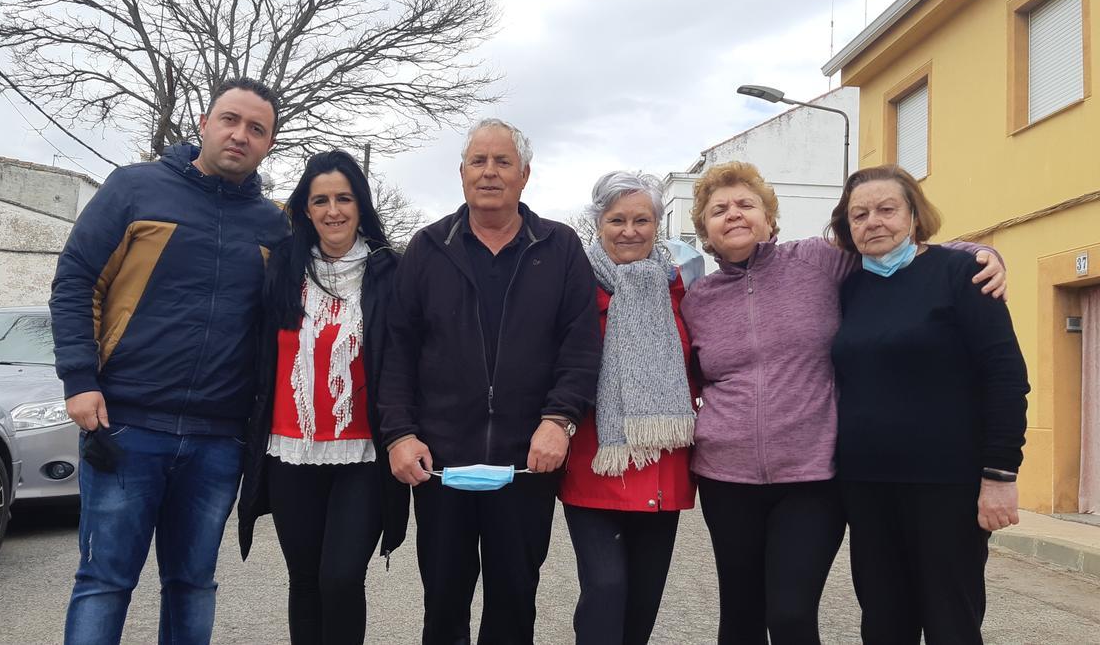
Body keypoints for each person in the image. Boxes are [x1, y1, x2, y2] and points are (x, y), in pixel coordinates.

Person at [679, 161, 1006, 645]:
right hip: (726, 476)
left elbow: (900, 250)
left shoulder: (816, 261)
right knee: (740, 616)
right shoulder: (697, 299)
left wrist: (980, 252)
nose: (733, 215)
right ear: (704, 228)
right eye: (719, 209)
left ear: (769, 217)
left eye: (746, 204)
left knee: (790, 614)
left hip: (812, 475)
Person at [51, 78, 289, 644]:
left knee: (193, 584)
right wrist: (80, 380)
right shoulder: (136, 188)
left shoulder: (273, 225)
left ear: (269, 144)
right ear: (204, 123)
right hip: (126, 425)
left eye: (257, 129)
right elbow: (76, 280)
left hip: (218, 438)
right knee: (105, 580)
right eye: (230, 120)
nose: (241, 135)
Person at [378, 118, 601, 645]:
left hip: (526, 462)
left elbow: (580, 345)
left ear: (525, 175)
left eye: (502, 162)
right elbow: (398, 353)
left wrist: (560, 420)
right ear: (461, 174)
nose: (490, 172)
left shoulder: (560, 246)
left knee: (514, 603)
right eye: (478, 161)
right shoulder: (429, 249)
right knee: (444, 603)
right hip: (441, 463)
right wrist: (399, 433)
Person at [829, 165, 1028, 644]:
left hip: (948, 486)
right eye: (859, 215)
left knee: (950, 622)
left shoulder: (962, 274)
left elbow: (1006, 376)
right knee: (882, 621)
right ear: (847, 227)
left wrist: (1000, 475)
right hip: (867, 486)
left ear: (914, 216)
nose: (873, 222)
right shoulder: (850, 288)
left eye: (886, 209)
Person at [237, 150, 409, 644]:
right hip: (292, 450)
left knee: (340, 577)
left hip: (363, 453)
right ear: (305, 210)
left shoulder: (390, 273)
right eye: (320, 200)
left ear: (360, 205)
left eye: (343, 198)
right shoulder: (281, 271)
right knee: (306, 581)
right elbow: (255, 353)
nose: (333, 210)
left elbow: (411, 357)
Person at [557, 171, 699, 645]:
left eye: (642, 219)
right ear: (598, 224)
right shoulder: (575, 291)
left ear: (657, 224)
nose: (629, 230)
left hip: (663, 469)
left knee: (641, 604)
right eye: (617, 219)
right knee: (605, 591)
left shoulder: (680, 291)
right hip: (596, 468)